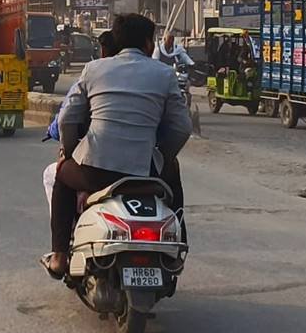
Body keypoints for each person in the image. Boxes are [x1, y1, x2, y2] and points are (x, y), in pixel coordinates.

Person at [43, 14, 193, 278]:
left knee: (61, 175)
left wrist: (69, 151)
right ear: (149, 44)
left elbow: (67, 118)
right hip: (145, 173)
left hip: (94, 172)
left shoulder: (94, 69)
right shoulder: (164, 73)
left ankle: (59, 255)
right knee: (174, 172)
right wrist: (162, 158)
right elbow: (182, 128)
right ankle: (177, 243)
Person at [45, 30, 117, 142]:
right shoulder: (148, 75)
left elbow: (65, 118)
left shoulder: (92, 72)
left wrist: (65, 150)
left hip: (97, 149)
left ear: (103, 51)